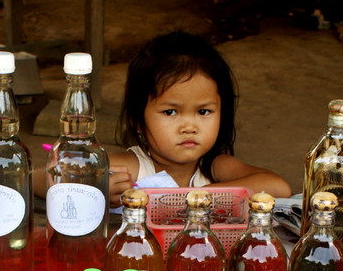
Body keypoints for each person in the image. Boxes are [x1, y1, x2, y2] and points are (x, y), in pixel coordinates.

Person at [108, 30, 290, 203]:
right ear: (137, 120)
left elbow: (278, 187)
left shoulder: (212, 167)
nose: (189, 127)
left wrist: (196, 197)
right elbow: (82, 177)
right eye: (170, 112)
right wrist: (101, 190)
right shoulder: (132, 168)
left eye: (203, 112)